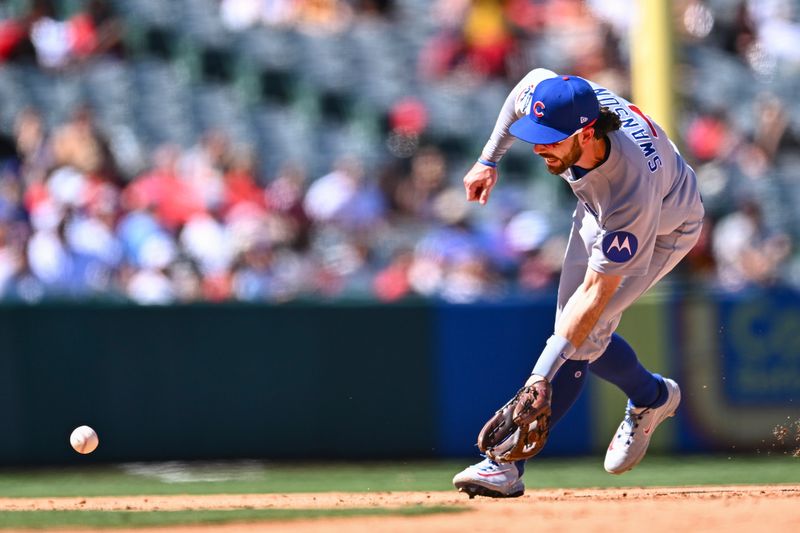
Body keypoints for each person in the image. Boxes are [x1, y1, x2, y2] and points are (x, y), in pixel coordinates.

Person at [452, 69, 704, 498]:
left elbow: (595, 293)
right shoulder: (570, 102)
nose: (538, 146)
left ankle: (506, 467)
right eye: (538, 133)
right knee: (579, 336)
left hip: (663, 226)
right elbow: (524, 86)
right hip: (596, 208)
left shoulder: (630, 190)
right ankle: (652, 396)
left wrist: (539, 377)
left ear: (587, 133)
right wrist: (488, 159)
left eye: (550, 137)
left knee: (580, 334)